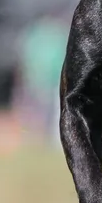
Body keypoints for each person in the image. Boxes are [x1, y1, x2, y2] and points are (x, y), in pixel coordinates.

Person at [13, 11, 69, 145]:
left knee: (53, 112)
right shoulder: (37, 35)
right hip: (39, 80)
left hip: (52, 81)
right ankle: (36, 136)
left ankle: (47, 136)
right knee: (36, 112)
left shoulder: (55, 33)